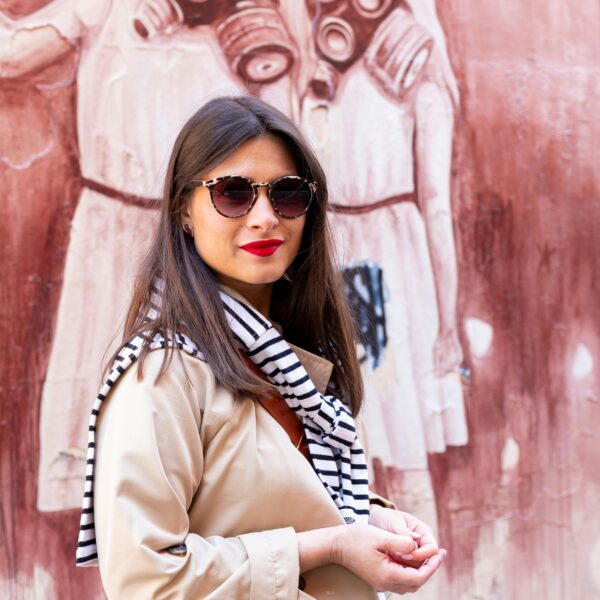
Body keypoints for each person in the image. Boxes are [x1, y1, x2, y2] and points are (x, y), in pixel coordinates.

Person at [75, 95, 446, 598]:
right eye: (233, 193)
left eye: (287, 194)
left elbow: (275, 502)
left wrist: (371, 519)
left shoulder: (287, 359)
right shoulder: (163, 374)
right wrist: (332, 546)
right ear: (184, 210)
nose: (265, 217)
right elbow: (145, 579)